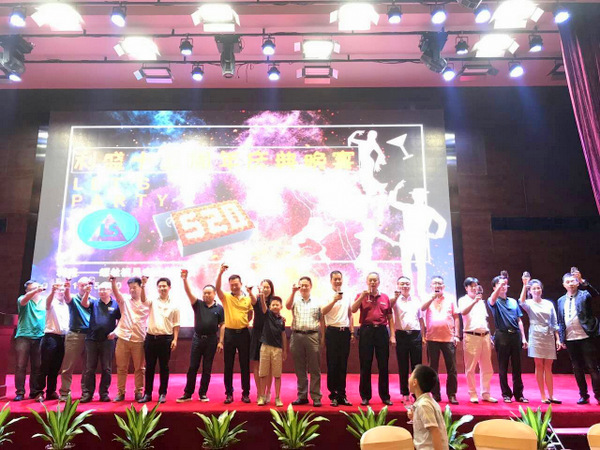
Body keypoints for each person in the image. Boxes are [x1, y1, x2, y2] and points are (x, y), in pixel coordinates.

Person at [177, 270, 225, 403]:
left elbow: (222, 325)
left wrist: (221, 342)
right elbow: (188, 292)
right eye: (204, 293)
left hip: (211, 340)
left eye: (209, 293)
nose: (206, 295)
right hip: (197, 339)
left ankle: (203, 393)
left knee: (207, 368)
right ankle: (188, 393)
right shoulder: (198, 304)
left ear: (214, 294)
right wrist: (184, 279)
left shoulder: (219, 308)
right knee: (193, 367)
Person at [351, 272, 395, 406]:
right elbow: (353, 309)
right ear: (367, 282)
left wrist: (392, 335)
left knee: (383, 365)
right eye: (370, 280)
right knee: (365, 364)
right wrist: (362, 297)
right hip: (366, 331)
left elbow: (390, 318)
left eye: (375, 280)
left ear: (379, 282)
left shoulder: (385, 297)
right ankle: (365, 396)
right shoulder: (361, 295)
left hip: (381, 331)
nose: (372, 283)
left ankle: (385, 396)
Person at [557, 271, 600, 405]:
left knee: (592, 367)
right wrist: (562, 338)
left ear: (577, 283)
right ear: (563, 284)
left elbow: (595, 295)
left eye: (573, 281)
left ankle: (598, 395)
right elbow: (561, 320)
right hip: (570, 338)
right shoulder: (560, 300)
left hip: (586, 336)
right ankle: (583, 395)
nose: (570, 284)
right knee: (577, 368)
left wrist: (582, 281)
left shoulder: (584, 294)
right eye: (568, 282)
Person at [519, 274, 561, 404]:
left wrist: (558, 339)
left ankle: (551, 395)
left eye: (538, 288)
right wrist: (524, 285)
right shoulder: (529, 303)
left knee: (549, 365)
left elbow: (554, 322)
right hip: (535, 334)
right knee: (539, 364)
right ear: (530, 291)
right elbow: (521, 302)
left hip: (548, 334)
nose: (537, 290)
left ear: (541, 289)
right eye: (534, 288)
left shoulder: (548, 303)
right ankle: (543, 395)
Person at [216, 264, 253, 404]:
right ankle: (229, 394)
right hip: (229, 334)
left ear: (241, 284)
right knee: (228, 365)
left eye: (236, 284)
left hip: (244, 333)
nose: (234, 287)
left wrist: (244, 322)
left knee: (245, 365)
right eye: (232, 285)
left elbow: (250, 314)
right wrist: (220, 273)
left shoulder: (247, 298)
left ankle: (246, 393)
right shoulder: (226, 297)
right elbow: (217, 288)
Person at [139, 277, 180, 404]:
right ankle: (147, 394)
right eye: (160, 286)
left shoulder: (174, 305)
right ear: (157, 288)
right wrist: (143, 285)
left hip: (166, 339)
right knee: (149, 367)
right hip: (151, 338)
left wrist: (175, 339)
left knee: (164, 367)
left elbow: (176, 324)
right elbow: (143, 300)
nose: (162, 288)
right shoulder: (152, 301)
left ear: (169, 287)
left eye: (164, 286)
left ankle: (162, 393)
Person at [488, 275, 528, 403]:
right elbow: (492, 300)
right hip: (502, 335)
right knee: (503, 366)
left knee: (517, 366)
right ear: (494, 287)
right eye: (500, 284)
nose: (503, 286)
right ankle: (506, 394)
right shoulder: (494, 300)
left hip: (515, 335)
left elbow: (519, 320)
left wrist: (523, 338)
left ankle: (519, 394)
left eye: (505, 284)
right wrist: (499, 285)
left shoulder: (513, 301)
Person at [286, 276, 324, 407]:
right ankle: (302, 396)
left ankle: (316, 396)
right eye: (301, 285)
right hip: (297, 336)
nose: (303, 287)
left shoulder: (317, 302)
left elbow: (322, 320)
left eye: (306, 285)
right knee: (299, 368)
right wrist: (292, 292)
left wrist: (322, 337)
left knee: (315, 368)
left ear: (310, 286)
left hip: (313, 336)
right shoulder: (295, 300)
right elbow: (287, 306)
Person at [458, 277, 497, 404]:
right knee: (470, 368)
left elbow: (484, 320)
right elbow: (463, 312)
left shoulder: (481, 301)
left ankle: (486, 393)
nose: (474, 288)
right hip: (471, 336)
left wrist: (489, 336)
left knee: (487, 367)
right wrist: (474, 301)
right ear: (466, 288)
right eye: (472, 286)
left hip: (485, 336)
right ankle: (472, 393)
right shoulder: (463, 300)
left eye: (476, 285)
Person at [111, 276, 150, 402]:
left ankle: (138, 391)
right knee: (121, 368)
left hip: (139, 339)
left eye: (134, 287)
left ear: (140, 287)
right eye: (130, 288)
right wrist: (113, 282)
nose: (132, 290)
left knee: (140, 368)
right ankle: (121, 392)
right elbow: (116, 294)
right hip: (123, 338)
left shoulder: (147, 302)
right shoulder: (125, 300)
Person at [421, 276, 459, 404]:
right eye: (435, 284)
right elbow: (422, 309)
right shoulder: (427, 298)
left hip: (448, 338)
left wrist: (457, 335)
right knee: (432, 368)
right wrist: (431, 298)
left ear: (443, 286)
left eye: (440, 284)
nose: (437, 285)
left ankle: (452, 394)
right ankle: (435, 394)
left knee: (452, 368)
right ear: (431, 286)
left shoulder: (450, 298)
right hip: (432, 338)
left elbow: (456, 317)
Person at [80, 281, 121, 402]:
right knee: (89, 368)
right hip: (91, 339)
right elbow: (84, 304)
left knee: (106, 368)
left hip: (107, 341)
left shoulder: (116, 304)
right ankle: (88, 393)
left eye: (105, 289)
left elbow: (121, 319)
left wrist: (115, 331)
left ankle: (104, 393)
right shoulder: (94, 302)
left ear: (110, 291)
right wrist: (87, 293)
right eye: (100, 289)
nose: (102, 291)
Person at [321, 270, 354, 407]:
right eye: (335, 279)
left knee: (343, 364)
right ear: (331, 280)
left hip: (344, 332)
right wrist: (334, 300)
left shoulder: (347, 294)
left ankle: (342, 394)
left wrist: (352, 331)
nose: (338, 281)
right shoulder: (326, 294)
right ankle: (333, 395)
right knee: (333, 364)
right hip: (332, 331)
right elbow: (322, 312)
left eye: (339, 279)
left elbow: (350, 314)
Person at [391, 275, 424, 404]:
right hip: (401, 335)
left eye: (407, 284)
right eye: (402, 284)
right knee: (403, 365)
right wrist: (395, 297)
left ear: (410, 285)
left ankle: (416, 392)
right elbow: (388, 311)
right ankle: (404, 393)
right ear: (398, 285)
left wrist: (423, 335)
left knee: (416, 366)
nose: (405, 286)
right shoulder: (394, 300)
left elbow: (420, 318)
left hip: (415, 334)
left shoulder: (416, 299)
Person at [59, 276, 93, 401]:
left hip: (90, 336)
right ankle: (64, 393)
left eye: (86, 285)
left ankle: (86, 393)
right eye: (82, 285)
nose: (84, 287)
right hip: (75, 335)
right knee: (68, 366)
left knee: (88, 367)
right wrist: (67, 286)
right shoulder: (73, 298)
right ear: (78, 286)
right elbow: (67, 297)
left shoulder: (94, 300)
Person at [38, 281, 70, 401]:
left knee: (56, 367)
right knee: (45, 366)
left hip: (63, 338)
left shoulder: (67, 305)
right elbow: (47, 303)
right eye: (59, 290)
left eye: (63, 290)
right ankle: (39, 392)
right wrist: (52, 291)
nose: (61, 292)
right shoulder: (51, 302)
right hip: (50, 337)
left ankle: (51, 391)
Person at [14, 280, 46, 401]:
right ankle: (20, 392)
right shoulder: (23, 299)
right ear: (27, 291)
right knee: (20, 366)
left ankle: (34, 392)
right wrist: (34, 291)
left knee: (37, 367)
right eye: (32, 289)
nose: (36, 291)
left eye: (37, 288)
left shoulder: (44, 301)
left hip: (40, 337)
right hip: (23, 336)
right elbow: (24, 300)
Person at [408, 364, 449, 450]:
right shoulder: (427, 401)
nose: (408, 379)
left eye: (411, 376)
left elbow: (435, 431)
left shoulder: (424, 405)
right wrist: (415, 417)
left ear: (415, 382)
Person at [257, 295, 287, 407]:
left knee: (277, 375)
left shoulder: (282, 320)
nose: (275, 306)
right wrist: (261, 295)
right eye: (273, 305)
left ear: (281, 307)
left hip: (277, 349)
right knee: (263, 374)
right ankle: (262, 396)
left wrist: (285, 350)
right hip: (265, 347)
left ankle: (278, 397)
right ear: (269, 307)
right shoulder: (267, 315)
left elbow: (283, 335)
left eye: (277, 305)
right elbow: (263, 306)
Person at [249, 279, 275, 404]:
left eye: (267, 287)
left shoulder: (274, 301)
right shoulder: (257, 299)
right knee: (257, 364)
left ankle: (268, 391)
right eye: (263, 287)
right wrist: (250, 292)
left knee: (269, 365)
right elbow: (253, 300)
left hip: (269, 334)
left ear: (271, 289)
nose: (265, 289)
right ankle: (260, 393)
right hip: (257, 333)